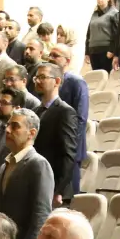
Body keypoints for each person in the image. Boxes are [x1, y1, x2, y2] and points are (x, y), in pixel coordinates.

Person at [0, 108, 53, 239]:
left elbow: (42, 212)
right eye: (8, 125)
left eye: (15, 126)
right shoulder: (4, 165)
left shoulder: (38, 164)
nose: (8, 130)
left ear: (31, 133)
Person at [33, 63, 80, 207]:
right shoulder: (35, 111)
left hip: (54, 189)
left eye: (43, 77)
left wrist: (58, 190)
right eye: (36, 77)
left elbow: (68, 153)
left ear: (57, 81)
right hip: (36, 181)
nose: (37, 81)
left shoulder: (66, 111)